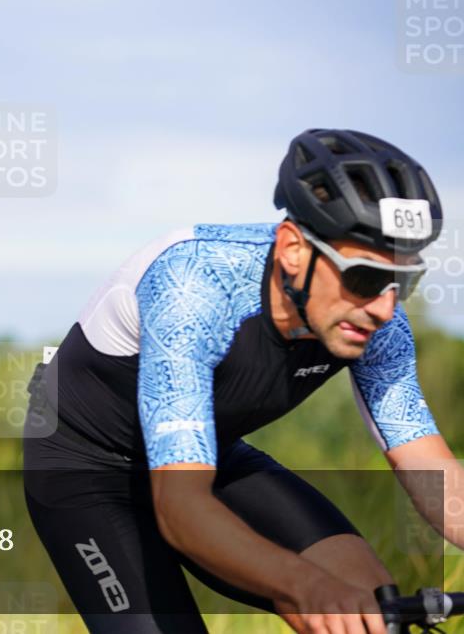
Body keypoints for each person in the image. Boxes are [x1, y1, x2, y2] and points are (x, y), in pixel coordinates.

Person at [23, 128, 463, 634]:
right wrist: (304, 585)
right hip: (89, 468)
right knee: (314, 591)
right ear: (293, 249)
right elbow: (181, 508)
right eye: (363, 277)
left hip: (210, 456)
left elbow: (430, 469)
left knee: (371, 609)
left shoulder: (377, 321)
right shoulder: (193, 286)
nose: (383, 307)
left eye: (401, 281)